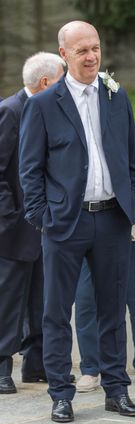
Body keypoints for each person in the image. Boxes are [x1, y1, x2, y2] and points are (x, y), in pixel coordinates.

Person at [19, 21, 135, 423]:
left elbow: (131, 159)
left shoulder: (116, 95)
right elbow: (30, 170)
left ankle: (116, 390)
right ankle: (61, 394)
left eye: (95, 48)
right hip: (63, 223)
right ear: (64, 55)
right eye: (82, 51)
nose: (91, 57)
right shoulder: (42, 104)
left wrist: (131, 205)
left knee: (112, 307)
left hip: (112, 220)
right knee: (57, 312)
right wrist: (43, 218)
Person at [74, 123, 135, 393]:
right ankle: (90, 368)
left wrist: (127, 228)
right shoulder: (79, 131)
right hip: (90, 232)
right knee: (86, 299)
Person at [0, 52, 65, 395]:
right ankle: (0, 367)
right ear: (44, 84)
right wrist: (9, 218)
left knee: (42, 298)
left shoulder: (52, 110)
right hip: (13, 228)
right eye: (60, 81)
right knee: (8, 299)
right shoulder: (10, 111)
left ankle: (36, 363)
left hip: (47, 222)